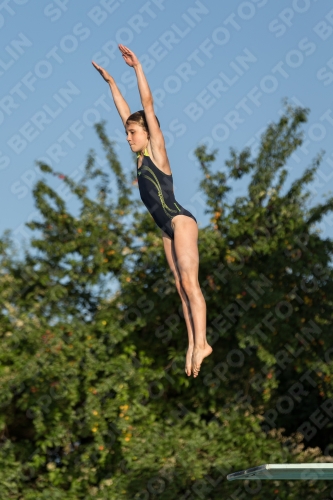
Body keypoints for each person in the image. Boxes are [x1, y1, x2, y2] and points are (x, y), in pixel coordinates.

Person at [92, 44, 212, 378]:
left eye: (132, 132)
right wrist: (111, 83)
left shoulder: (156, 150)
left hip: (179, 221)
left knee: (190, 283)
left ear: (148, 133)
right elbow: (126, 111)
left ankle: (202, 342)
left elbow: (147, 105)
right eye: (127, 132)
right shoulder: (139, 157)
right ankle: (193, 344)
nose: (127, 136)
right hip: (165, 228)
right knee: (178, 286)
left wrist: (137, 68)